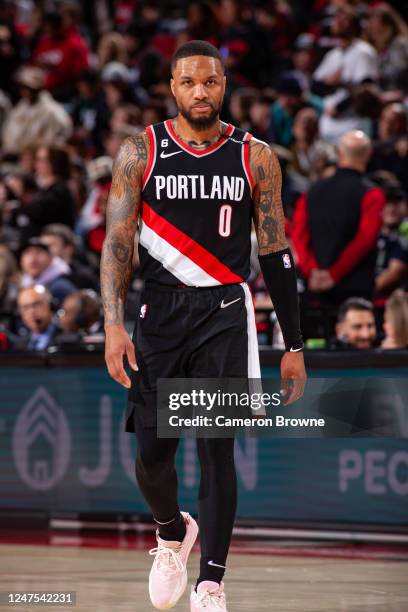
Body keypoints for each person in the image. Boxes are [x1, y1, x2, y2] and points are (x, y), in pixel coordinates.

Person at [100, 40, 306, 612]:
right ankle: (172, 532)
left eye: (210, 82)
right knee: (152, 457)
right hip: (157, 314)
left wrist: (294, 344)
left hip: (224, 313)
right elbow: (117, 244)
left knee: (218, 451)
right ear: (172, 86)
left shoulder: (255, 155)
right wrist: (113, 325)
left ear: (224, 85)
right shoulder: (139, 152)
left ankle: (211, 582)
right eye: (189, 82)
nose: (200, 92)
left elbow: (276, 253)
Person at [292, 130, 385, 303]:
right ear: (368, 155)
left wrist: (313, 271)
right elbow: (365, 239)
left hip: (315, 288)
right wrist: (333, 274)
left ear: (340, 154)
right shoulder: (372, 194)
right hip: (355, 288)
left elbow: (299, 234)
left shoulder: (311, 192)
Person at [312, 5, 378, 143]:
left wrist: (338, 107)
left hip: (354, 125)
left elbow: (366, 89)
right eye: (336, 18)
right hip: (329, 126)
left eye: (344, 19)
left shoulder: (363, 52)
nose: (338, 22)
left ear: (355, 26)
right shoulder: (333, 55)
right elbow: (314, 86)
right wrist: (328, 83)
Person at [1, 65, 72, 155]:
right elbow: (7, 135)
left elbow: (55, 142)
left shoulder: (52, 111)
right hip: (13, 158)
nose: (25, 91)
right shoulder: (20, 107)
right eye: (23, 87)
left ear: (38, 89)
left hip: (37, 161)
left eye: (28, 88)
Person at [20, 238, 76, 307]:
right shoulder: (23, 285)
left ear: (51, 258)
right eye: (28, 253)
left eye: (39, 252)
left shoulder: (60, 286)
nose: (33, 259)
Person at [16, 285, 60, 351]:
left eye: (36, 304)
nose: (31, 311)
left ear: (50, 305)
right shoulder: (19, 345)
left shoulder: (66, 340)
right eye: (25, 307)